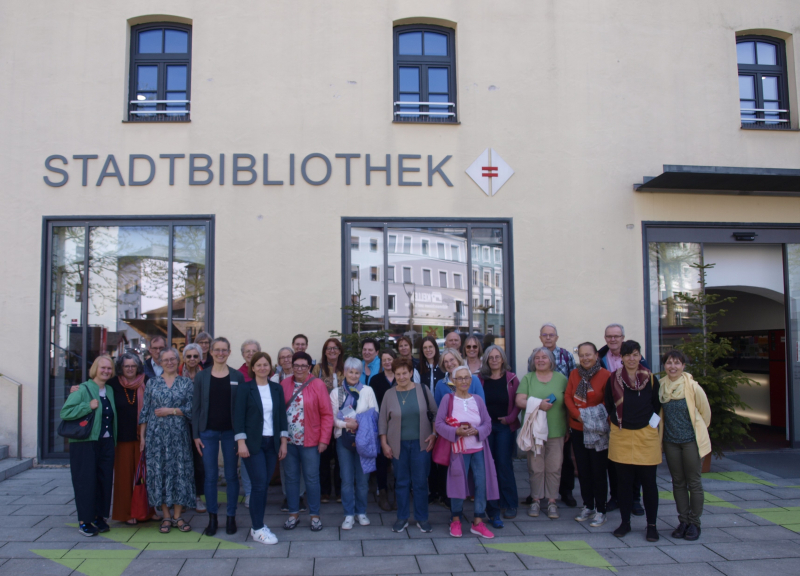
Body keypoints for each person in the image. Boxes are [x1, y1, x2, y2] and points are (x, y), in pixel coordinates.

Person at [604, 340, 662, 542]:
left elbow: (656, 405)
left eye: (635, 354)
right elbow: (609, 404)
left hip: (646, 436)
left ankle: (652, 526)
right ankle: (625, 523)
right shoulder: (613, 379)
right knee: (624, 484)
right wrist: (618, 419)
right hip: (621, 435)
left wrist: (647, 425)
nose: (631, 358)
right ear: (622, 357)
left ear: (640, 356)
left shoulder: (651, 379)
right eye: (627, 355)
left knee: (649, 483)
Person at [437, 365, 497, 539]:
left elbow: (487, 423)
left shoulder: (477, 400)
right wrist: (456, 432)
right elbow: (439, 424)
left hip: (478, 449)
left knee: (481, 483)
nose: (463, 381)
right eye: (459, 378)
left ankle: (478, 520)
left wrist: (477, 431)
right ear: (453, 381)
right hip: (458, 450)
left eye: (466, 378)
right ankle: (455, 519)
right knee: (458, 483)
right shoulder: (448, 400)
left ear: (471, 380)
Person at [192, 337, 245, 536]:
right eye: (217, 350)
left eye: (224, 350)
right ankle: (212, 517)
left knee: (231, 475)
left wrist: (241, 436)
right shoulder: (202, 377)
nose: (221, 353)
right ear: (211, 352)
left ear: (229, 352)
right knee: (211, 476)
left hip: (231, 432)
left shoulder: (237, 376)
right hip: (208, 432)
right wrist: (196, 434)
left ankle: (231, 516)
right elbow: (196, 407)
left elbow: (240, 408)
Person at [234, 352, 288, 545]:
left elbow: (282, 416)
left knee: (263, 485)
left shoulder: (276, 389)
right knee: (258, 485)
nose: (263, 368)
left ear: (270, 367)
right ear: (253, 367)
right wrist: (241, 443)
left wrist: (283, 442)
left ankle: (258, 524)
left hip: (272, 443)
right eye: (259, 365)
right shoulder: (245, 388)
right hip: (252, 444)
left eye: (266, 365)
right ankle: (257, 528)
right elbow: (238, 417)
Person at [139, 348, 195, 534]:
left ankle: (178, 515)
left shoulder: (186, 383)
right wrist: (142, 437)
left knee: (180, 472)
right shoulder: (152, 383)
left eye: (173, 359)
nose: (169, 362)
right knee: (160, 473)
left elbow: (192, 408)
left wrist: (171, 411)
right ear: (160, 362)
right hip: (156, 437)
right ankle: (165, 515)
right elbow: (145, 410)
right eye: (166, 359)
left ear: (178, 361)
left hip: (179, 436)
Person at [61, 355, 118, 537]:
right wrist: (88, 406)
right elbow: (65, 412)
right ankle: (84, 521)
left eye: (109, 369)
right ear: (95, 369)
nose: (106, 371)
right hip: (85, 443)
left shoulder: (109, 390)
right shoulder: (83, 389)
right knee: (86, 481)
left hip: (107, 441)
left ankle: (99, 517)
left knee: (104, 480)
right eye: (103, 368)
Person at [378, 357, 437, 533]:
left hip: (421, 444)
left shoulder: (423, 390)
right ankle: (402, 518)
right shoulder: (389, 394)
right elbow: (382, 421)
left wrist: (434, 434)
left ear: (411, 373)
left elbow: (435, 414)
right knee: (401, 482)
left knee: (420, 482)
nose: (402, 376)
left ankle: (422, 518)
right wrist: (384, 443)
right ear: (394, 374)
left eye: (405, 373)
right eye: (398, 374)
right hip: (397, 445)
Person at [660, 350, 711, 542]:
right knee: (678, 482)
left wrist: (696, 433)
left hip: (691, 442)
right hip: (671, 442)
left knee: (694, 482)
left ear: (683, 366)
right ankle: (682, 521)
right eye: (669, 363)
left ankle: (694, 523)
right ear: (664, 365)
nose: (672, 366)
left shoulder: (692, 387)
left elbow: (705, 414)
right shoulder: (661, 386)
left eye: (677, 363)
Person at [280, 351, 334, 531]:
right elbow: (279, 413)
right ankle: (293, 514)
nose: (300, 369)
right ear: (292, 366)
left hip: (310, 441)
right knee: (291, 479)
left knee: (311, 479)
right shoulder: (284, 384)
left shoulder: (317, 385)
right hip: (288, 442)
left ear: (309, 367)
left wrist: (324, 440)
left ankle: (315, 516)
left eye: (304, 366)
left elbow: (327, 414)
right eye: (296, 365)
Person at [598, 323, 648, 515]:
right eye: (609, 336)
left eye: (616, 336)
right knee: (614, 460)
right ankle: (616, 496)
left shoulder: (636, 356)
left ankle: (635, 499)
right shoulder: (600, 357)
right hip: (613, 416)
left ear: (623, 337)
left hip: (635, 417)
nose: (613, 339)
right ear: (605, 338)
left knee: (634, 460)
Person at [516, 347, 568, 520]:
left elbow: (567, 403)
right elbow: (519, 400)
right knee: (535, 467)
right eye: (536, 357)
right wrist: (539, 404)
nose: (540, 360)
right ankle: (536, 499)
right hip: (534, 433)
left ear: (551, 360)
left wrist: (568, 427)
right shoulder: (528, 378)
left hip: (556, 430)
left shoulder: (561, 379)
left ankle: (552, 500)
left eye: (544, 357)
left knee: (554, 467)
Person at [564, 343, 611, 528]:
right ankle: (588, 505)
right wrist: (577, 415)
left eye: (588, 355)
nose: (585, 358)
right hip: (578, 428)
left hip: (597, 430)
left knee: (598, 470)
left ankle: (601, 509)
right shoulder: (575, 374)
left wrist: (590, 417)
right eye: (582, 355)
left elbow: (608, 402)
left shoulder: (606, 375)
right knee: (583, 470)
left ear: (596, 355)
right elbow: (568, 396)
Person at [431, 348, 485, 507]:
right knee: (455, 470)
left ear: (458, 360)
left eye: (452, 360)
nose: (449, 364)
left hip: (473, 434)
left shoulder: (473, 380)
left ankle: (475, 504)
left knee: (476, 473)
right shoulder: (441, 385)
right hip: (452, 435)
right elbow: (438, 411)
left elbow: (482, 405)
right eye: (445, 362)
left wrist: (475, 428)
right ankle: (454, 505)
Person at [331, 357, 379, 529]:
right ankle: (348, 514)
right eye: (350, 371)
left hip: (364, 440)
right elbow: (333, 418)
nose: (353, 375)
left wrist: (360, 423)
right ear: (344, 372)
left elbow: (375, 414)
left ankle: (361, 512)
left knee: (363, 479)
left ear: (360, 374)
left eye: (356, 372)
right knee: (346, 478)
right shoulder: (337, 393)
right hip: (343, 439)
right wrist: (347, 424)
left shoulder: (368, 390)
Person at [106, 353, 152, 524]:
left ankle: (146, 511)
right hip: (122, 438)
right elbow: (95, 389)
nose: (130, 369)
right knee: (123, 478)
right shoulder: (112, 384)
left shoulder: (146, 381)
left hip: (144, 437)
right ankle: (125, 513)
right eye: (127, 366)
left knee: (145, 477)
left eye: (133, 365)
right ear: (121, 368)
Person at [537, 323, 578, 509]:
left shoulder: (566, 355)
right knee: (539, 456)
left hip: (561, 412)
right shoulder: (535, 355)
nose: (548, 338)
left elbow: (572, 385)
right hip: (540, 413)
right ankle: (538, 493)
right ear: (540, 338)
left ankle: (566, 491)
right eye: (544, 335)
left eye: (551, 335)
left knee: (564, 458)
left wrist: (570, 418)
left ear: (557, 337)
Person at [480, 345, 521, 527]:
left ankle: (510, 503)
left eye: (497, 357)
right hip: (486, 428)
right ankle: (492, 504)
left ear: (503, 359)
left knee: (504, 465)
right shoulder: (481, 379)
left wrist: (510, 418)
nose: (494, 360)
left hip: (504, 427)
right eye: (491, 357)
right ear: (487, 360)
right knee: (488, 466)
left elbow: (518, 403)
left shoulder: (511, 379)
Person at [312, 338, 344, 504]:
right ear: (324, 352)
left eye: (335, 348)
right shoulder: (317, 369)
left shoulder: (345, 369)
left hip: (342, 417)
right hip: (322, 417)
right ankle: (325, 491)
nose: (332, 351)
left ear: (340, 351)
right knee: (323, 455)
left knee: (340, 455)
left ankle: (339, 491)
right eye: (329, 348)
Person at [367, 349, 397, 511]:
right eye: (384, 360)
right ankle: (383, 492)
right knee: (382, 460)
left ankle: (399, 493)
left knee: (399, 460)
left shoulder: (401, 379)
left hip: (399, 425)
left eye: (389, 359)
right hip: (382, 425)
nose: (387, 362)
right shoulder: (376, 380)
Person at [179, 344, 206, 513]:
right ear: (184, 358)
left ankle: (197, 497)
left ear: (200, 358)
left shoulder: (205, 375)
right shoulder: (176, 375)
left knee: (199, 462)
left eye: (195, 356)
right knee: (181, 461)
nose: (192, 359)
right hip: (180, 423)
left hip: (200, 424)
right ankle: (181, 497)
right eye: (188, 356)